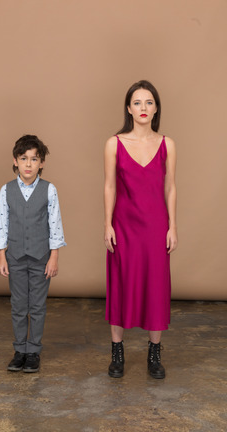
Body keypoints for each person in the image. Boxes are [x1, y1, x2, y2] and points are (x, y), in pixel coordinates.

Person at [104, 80, 177, 379]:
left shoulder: (167, 144)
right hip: (123, 224)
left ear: (156, 107)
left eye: (149, 102)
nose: (143, 108)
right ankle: (117, 352)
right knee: (120, 283)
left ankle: (154, 354)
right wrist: (106, 223)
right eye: (137, 102)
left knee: (156, 286)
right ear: (128, 108)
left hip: (156, 225)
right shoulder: (114, 143)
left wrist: (173, 225)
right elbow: (109, 185)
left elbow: (170, 187)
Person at [0, 134, 66, 373]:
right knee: (18, 305)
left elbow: (54, 224)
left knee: (36, 306)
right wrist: (1, 255)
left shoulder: (49, 190)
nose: (28, 164)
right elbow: (2, 223)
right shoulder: (6, 190)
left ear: (41, 163)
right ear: (15, 160)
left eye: (34, 159)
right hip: (14, 256)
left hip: (40, 257)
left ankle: (33, 351)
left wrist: (54, 256)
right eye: (23, 158)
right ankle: (19, 350)